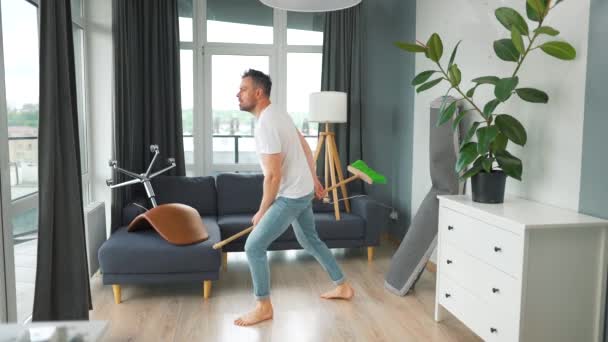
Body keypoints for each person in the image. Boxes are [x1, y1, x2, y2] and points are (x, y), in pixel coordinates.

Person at [234, 69, 355, 327]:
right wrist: (315, 179)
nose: (238, 94)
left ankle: (263, 305)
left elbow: (273, 177)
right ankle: (343, 285)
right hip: (303, 191)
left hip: (291, 196)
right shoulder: (278, 113)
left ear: (258, 92)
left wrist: (262, 210)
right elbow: (304, 147)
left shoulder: (266, 123)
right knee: (310, 240)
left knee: (253, 246)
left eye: (243, 89)